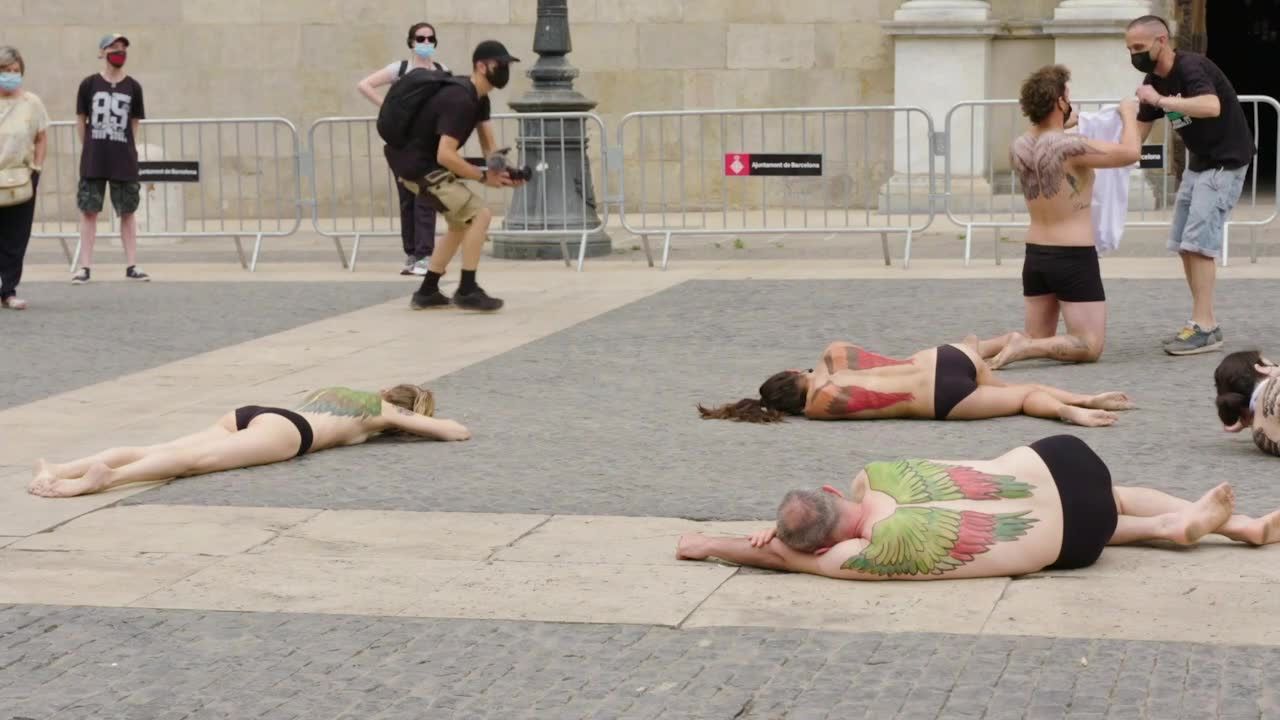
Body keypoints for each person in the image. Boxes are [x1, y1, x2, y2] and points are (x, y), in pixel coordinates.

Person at [675, 435, 1280, 580]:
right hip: (1064, 461)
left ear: (830, 543)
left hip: (1077, 540)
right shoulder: (871, 474)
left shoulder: (863, 554)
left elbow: (790, 559)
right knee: (1115, 494)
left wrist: (714, 545)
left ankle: (1176, 527)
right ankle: (1216, 521)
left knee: (1078, 521)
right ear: (835, 493)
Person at [973, 65, 1141, 371]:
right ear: (1060, 102)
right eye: (1068, 96)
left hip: (1036, 254)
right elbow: (1130, 152)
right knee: (1089, 344)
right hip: (1072, 256)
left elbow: (1050, 136)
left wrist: (1070, 119)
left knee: (1038, 335)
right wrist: (1128, 112)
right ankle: (1023, 347)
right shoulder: (1070, 147)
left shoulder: (1019, 146)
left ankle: (976, 349)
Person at [27, 384, 470, 498]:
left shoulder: (341, 391)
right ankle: (103, 480)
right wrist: (415, 418)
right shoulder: (382, 410)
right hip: (290, 432)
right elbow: (453, 431)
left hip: (252, 413)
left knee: (162, 447)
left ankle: (62, 468)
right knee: (191, 462)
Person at [1126, 15, 1255, 356]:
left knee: (1199, 245)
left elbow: (1210, 106)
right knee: (1185, 244)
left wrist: (1162, 101)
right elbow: (1139, 129)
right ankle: (1202, 324)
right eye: (1129, 49)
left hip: (1225, 163)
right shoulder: (1153, 80)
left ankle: (1205, 326)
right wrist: (1115, 154)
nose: (1134, 54)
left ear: (1162, 41)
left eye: (1138, 47)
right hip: (1199, 165)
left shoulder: (1191, 67)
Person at [697, 340, 1134, 428]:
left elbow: (810, 402)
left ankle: (1072, 408)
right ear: (796, 372)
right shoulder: (832, 356)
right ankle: (1082, 393)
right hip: (946, 356)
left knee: (1020, 399)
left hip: (942, 398)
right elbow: (829, 361)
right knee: (1007, 384)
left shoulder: (821, 405)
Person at [386, 40, 525, 313]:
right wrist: (483, 178)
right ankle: (467, 289)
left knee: (460, 224)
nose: (505, 70)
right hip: (418, 167)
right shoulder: (459, 99)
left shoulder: (479, 98)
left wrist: (505, 171)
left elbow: (489, 148)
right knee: (478, 215)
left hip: (424, 164)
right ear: (481, 66)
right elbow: (446, 155)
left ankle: (427, 292)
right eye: (501, 65)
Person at [357, 22, 450, 277]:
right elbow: (364, 84)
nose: (426, 42)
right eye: (421, 38)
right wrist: (388, 108)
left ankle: (424, 254)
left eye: (430, 38)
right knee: (407, 198)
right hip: (402, 144)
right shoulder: (400, 69)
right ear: (411, 41)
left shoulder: (441, 71)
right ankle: (412, 253)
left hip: (428, 143)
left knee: (426, 196)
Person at [72, 33, 149, 284]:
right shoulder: (89, 84)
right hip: (94, 158)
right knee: (89, 211)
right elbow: (80, 120)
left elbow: (134, 123)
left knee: (128, 211)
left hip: (123, 158)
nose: (120, 51)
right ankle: (85, 267)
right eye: (114, 47)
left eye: (123, 48)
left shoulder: (134, 87)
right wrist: (90, 147)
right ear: (102, 52)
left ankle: (131, 265)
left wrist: (126, 147)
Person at [0, 46, 48, 311]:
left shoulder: (32, 103)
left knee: (15, 238)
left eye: (15, 71)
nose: (11, 75)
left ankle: (8, 290)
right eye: (5, 71)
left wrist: (37, 168)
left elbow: (42, 136)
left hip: (21, 179)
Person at [1214, 350, 1280, 457]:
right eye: (1274, 364)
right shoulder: (1274, 388)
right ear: (1262, 369)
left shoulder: (1259, 435)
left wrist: (1248, 418)